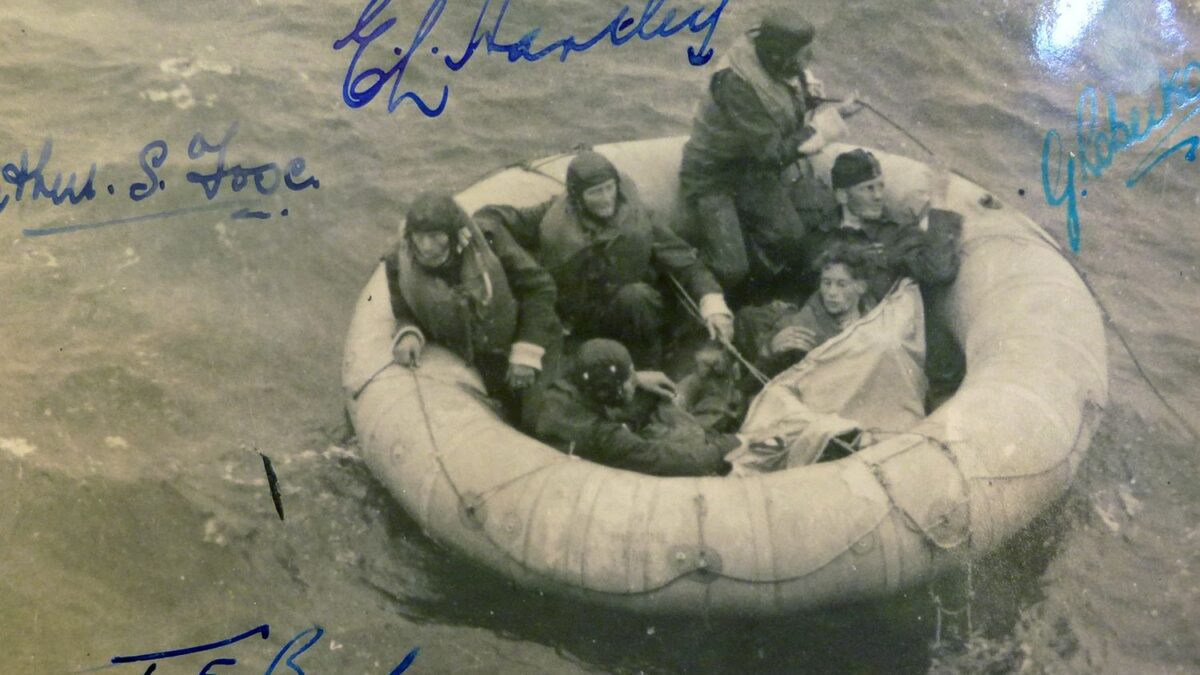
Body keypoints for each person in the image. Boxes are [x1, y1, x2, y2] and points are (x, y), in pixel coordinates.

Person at [476, 150, 734, 368]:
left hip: (630, 314)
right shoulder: (551, 215)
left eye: (609, 188)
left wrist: (713, 305)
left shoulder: (639, 218)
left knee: (636, 297)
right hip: (577, 321)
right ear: (578, 197)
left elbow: (685, 261)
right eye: (595, 193)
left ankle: (650, 367)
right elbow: (494, 217)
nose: (605, 199)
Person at [679, 8, 861, 292]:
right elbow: (773, 154)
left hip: (751, 171)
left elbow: (781, 109)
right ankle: (695, 287)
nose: (807, 61)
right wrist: (824, 127)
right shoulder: (735, 83)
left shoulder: (776, 63)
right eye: (801, 56)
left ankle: (751, 292)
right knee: (731, 265)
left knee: (790, 238)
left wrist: (832, 109)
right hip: (712, 177)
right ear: (779, 55)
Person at [385, 191, 561, 430]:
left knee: (540, 420)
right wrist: (408, 332)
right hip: (480, 359)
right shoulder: (399, 260)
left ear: (452, 234)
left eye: (435, 236)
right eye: (420, 237)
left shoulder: (489, 239)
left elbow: (540, 288)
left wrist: (527, 350)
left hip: (527, 337)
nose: (426, 247)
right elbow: (403, 309)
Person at [534, 338, 748, 477]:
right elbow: (679, 460)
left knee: (655, 399)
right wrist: (730, 444)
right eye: (629, 377)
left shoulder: (561, 388)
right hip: (622, 456)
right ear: (611, 391)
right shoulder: (607, 437)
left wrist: (636, 379)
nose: (634, 380)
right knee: (693, 437)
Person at [802, 148, 961, 300]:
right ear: (843, 196)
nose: (878, 196)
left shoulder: (896, 232)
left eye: (880, 186)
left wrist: (939, 201)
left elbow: (939, 271)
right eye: (868, 189)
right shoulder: (820, 231)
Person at [739, 242, 878, 378]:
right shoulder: (799, 327)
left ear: (861, 287)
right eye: (826, 282)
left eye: (841, 284)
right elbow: (760, 385)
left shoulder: (877, 321)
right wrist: (769, 352)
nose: (831, 292)